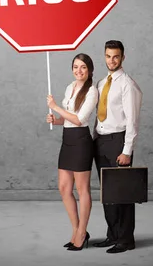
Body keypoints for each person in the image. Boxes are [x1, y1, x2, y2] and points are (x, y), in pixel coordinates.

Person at [92, 40, 143, 254]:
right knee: (108, 194)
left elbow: (132, 120)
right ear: (104, 56)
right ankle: (112, 235)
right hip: (101, 141)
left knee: (122, 193)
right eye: (108, 56)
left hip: (118, 142)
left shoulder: (127, 84)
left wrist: (126, 150)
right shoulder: (102, 83)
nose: (111, 60)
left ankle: (126, 239)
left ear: (123, 57)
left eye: (116, 56)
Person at [46, 53, 99, 251]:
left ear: (90, 70)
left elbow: (79, 119)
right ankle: (77, 230)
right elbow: (68, 120)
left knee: (82, 189)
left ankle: (81, 231)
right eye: (76, 67)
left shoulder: (92, 91)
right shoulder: (70, 87)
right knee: (63, 188)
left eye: (83, 67)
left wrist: (55, 107)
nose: (79, 71)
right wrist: (56, 120)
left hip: (81, 142)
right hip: (67, 141)